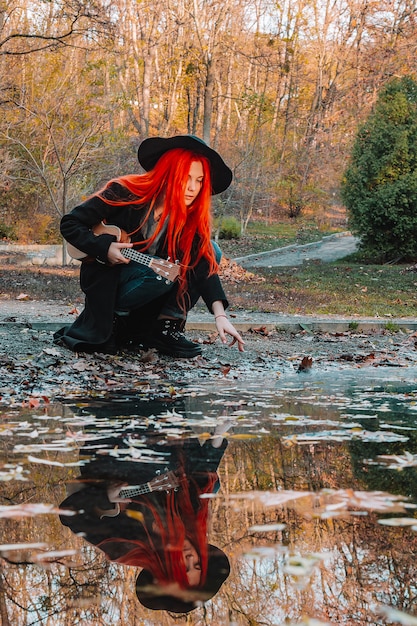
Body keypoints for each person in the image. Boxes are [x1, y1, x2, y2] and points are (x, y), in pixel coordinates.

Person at [54, 135, 245, 358]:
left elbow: (203, 264)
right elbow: (71, 223)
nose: (193, 188)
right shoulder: (124, 191)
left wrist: (220, 316)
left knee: (210, 250)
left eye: (199, 180)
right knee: (160, 275)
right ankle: (115, 321)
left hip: (154, 289)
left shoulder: (187, 216)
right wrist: (104, 248)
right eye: (186, 177)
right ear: (169, 172)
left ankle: (165, 327)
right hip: (112, 281)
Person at [59, 414, 231, 614]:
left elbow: (70, 514)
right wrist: (218, 435)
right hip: (165, 427)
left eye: (185, 567)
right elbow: (202, 475)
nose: (190, 557)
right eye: (197, 564)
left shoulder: (126, 547)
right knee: (212, 486)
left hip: (116, 444)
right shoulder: (192, 521)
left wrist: (105, 496)